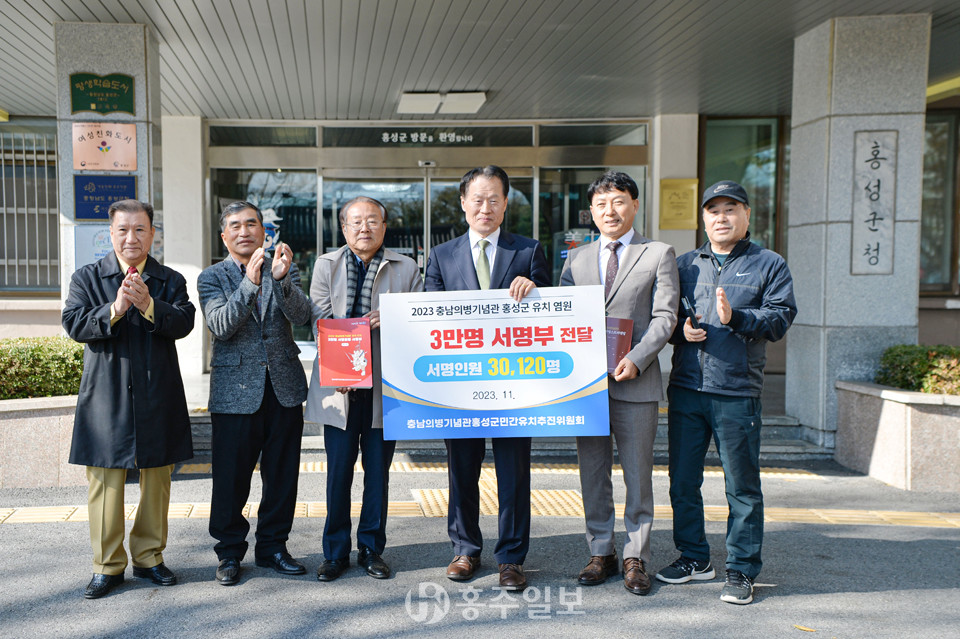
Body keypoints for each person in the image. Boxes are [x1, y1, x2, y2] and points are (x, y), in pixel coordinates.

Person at [655, 180, 797, 605]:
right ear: (703, 218)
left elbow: (779, 318)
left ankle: (742, 569)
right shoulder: (684, 265)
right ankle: (695, 557)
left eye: (731, 209)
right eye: (713, 210)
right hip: (687, 389)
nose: (722, 217)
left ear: (747, 215)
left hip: (737, 391)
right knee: (682, 481)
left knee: (742, 486)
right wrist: (681, 332)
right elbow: (663, 318)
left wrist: (736, 317)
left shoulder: (768, 263)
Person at [425, 165, 550, 591]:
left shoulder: (528, 251)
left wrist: (535, 288)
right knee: (461, 469)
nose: (485, 207)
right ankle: (465, 548)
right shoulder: (441, 255)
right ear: (463, 203)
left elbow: (553, 312)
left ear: (506, 203)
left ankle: (512, 558)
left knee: (514, 472)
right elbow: (430, 317)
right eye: (477, 199)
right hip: (461, 385)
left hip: (514, 383)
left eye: (494, 199)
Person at [62, 199, 195, 599]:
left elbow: (184, 321)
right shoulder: (88, 278)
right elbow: (74, 323)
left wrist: (149, 305)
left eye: (140, 229)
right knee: (105, 482)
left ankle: (150, 557)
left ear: (152, 233)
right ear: (111, 233)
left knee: (157, 480)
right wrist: (116, 308)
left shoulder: (170, 279)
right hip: (107, 395)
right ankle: (107, 565)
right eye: (123, 230)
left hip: (157, 392)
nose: (131, 237)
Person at [560, 171, 678, 596]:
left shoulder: (658, 253)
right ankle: (601, 551)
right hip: (588, 387)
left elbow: (666, 316)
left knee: (637, 474)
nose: (609, 211)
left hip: (636, 383)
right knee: (592, 473)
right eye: (601, 204)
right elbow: (562, 316)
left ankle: (636, 556)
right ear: (591, 212)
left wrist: (638, 358)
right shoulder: (575, 259)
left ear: (634, 205)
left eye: (618, 202)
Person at [305, 197, 424, 582]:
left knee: (378, 474)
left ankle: (372, 548)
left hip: (385, 388)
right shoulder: (326, 265)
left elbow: (420, 321)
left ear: (384, 227)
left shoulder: (406, 267)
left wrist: (393, 317)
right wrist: (340, 357)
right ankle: (334, 552)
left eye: (373, 221)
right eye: (356, 221)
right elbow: (319, 320)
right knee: (338, 473)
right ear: (343, 228)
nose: (364, 228)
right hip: (339, 387)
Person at [197, 200, 312, 586]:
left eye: (251, 224)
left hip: (283, 388)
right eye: (235, 225)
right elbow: (221, 325)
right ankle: (229, 552)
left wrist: (282, 281)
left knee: (282, 476)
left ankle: (273, 547)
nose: (244, 231)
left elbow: (302, 317)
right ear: (224, 235)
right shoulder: (211, 277)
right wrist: (250, 282)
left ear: (264, 231)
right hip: (234, 392)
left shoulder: (283, 267)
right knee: (231, 479)